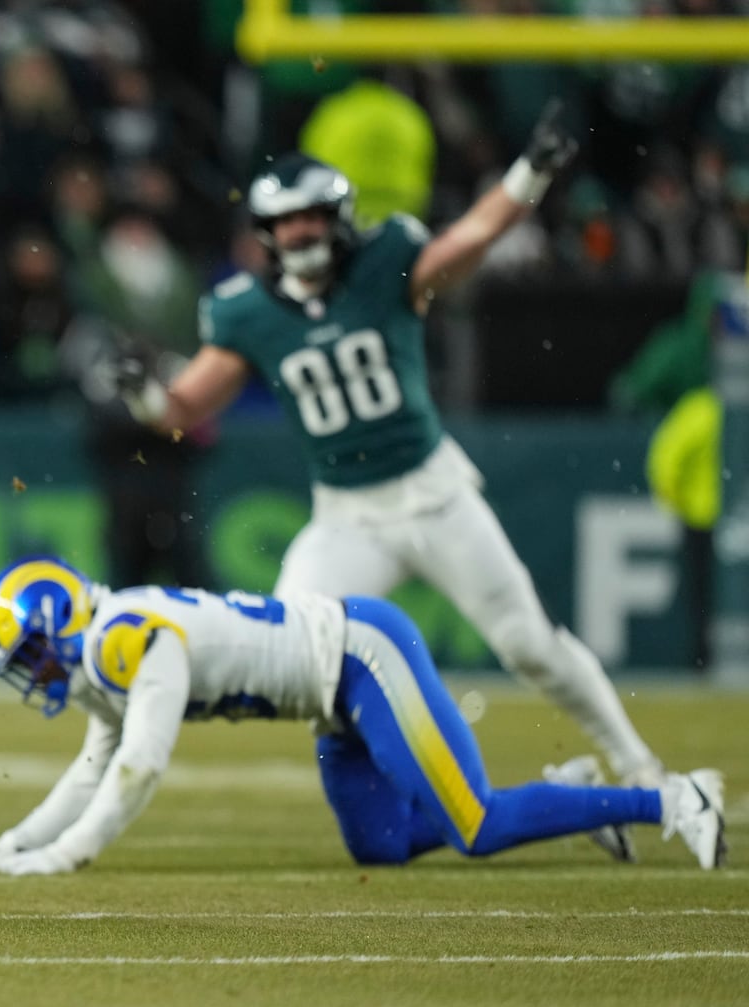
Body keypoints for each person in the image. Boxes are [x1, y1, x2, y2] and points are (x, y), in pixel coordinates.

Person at [112, 100, 669, 801]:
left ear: (339, 217)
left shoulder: (386, 265)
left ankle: (638, 763)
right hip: (346, 516)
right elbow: (183, 409)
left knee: (530, 643)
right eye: (286, 220)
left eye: (312, 214)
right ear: (265, 233)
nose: (301, 229)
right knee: (291, 660)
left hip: (434, 493)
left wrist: (532, 172)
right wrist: (140, 390)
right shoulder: (248, 313)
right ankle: (404, 790)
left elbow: (471, 237)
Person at [0, 557, 727, 876]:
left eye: (33, 652)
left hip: (359, 657)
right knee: (378, 847)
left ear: (60, 617)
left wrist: (65, 856)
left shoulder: (127, 640)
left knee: (474, 824)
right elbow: (98, 761)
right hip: (327, 701)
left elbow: (142, 765)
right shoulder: (107, 650)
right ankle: (564, 794)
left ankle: (675, 798)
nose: (37, 672)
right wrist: (10, 844)